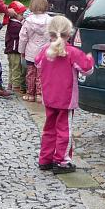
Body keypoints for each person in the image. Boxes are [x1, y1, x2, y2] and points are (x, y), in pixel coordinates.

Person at [35, 15, 94, 174]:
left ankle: (45, 159)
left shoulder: (44, 51)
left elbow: (37, 63)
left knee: (49, 128)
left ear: (50, 33)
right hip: (66, 99)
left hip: (49, 97)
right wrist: (89, 59)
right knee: (64, 130)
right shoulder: (73, 52)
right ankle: (61, 161)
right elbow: (87, 70)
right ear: (70, 34)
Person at [18, 0, 52, 102]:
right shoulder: (50, 21)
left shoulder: (28, 21)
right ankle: (39, 95)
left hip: (31, 52)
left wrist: (21, 51)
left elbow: (23, 38)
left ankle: (30, 94)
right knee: (42, 74)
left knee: (30, 73)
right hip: (45, 52)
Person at [4, 0, 27, 95]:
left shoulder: (14, 23)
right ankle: (16, 86)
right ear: (15, 15)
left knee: (12, 68)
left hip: (12, 50)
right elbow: (22, 33)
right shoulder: (15, 25)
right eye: (21, 14)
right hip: (14, 50)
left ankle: (11, 84)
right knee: (16, 68)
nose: (23, 16)